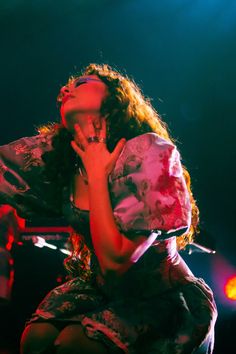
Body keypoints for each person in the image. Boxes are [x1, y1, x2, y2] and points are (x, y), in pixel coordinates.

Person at [0, 64, 217, 353]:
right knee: (35, 340)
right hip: (103, 293)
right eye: (65, 87)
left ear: (115, 98)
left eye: (81, 82)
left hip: (160, 299)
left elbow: (116, 262)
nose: (64, 89)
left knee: (73, 346)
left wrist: (97, 172)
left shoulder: (147, 152)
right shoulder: (58, 156)